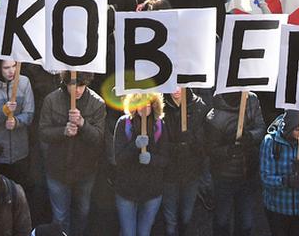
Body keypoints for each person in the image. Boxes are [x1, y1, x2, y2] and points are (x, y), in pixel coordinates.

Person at [39, 71, 107, 234]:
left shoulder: (97, 103)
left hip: (85, 171)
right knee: (60, 217)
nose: (77, 90)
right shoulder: (51, 100)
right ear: (65, 82)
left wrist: (83, 124)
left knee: (82, 212)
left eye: (81, 86)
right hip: (57, 169)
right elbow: (42, 132)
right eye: (73, 85)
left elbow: (98, 138)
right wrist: (63, 131)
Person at [205, 90, 265, 236]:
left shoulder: (251, 100)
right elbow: (209, 148)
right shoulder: (214, 113)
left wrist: (250, 136)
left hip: (247, 174)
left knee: (246, 224)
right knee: (222, 221)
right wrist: (228, 150)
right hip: (223, 177)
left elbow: (261, 127)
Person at [112, 92, 169, 236]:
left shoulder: (159, 125)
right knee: (128, 232)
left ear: (154, 106)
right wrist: (134, 146)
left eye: (147, 105)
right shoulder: (123, 123)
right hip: (127, 191)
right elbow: (118, 158)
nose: (144, 108)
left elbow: (165, 159)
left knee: (144, 232)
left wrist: (152, 159)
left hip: (152, 192)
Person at [160, 86, 207, 236]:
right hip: (168, 173)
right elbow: (157, 141)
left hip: (191, 172)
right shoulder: (159, 107)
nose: (176, 89)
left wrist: (192, 142)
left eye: (180, 83)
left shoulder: (199, 107)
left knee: (186, 215)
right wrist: (174, 147)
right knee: (170, 218)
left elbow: (206, 143)